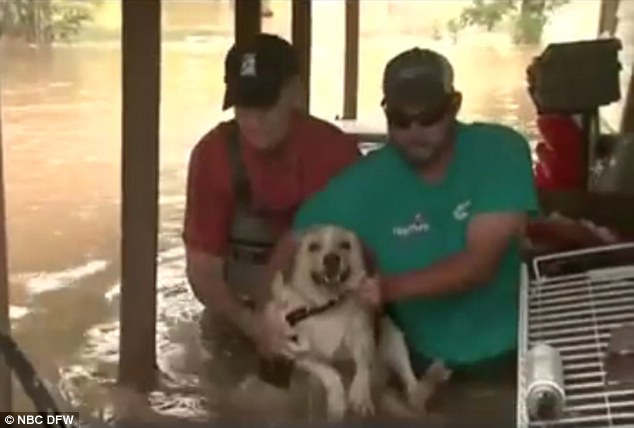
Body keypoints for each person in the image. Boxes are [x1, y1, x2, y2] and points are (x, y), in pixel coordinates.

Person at [267, 48, 540, 397]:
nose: (415, 130)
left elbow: (479, 265)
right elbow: (291, 243)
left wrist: (386, 289)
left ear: (454, 105)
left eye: (428, 116)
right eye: (400, 118)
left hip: (514, 353)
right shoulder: (364, 183)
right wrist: (269, 313)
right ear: (385, 113)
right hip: (420, 361)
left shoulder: (499, 150)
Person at [182, 33, 360, 379]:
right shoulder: (213, 155)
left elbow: (366, 258)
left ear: (295, 92)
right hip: (239, 316)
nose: (253, 121)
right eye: (244, 106)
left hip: (326, 314)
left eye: (265, 105)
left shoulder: (337, 155)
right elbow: (202, 271)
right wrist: (255, 327)